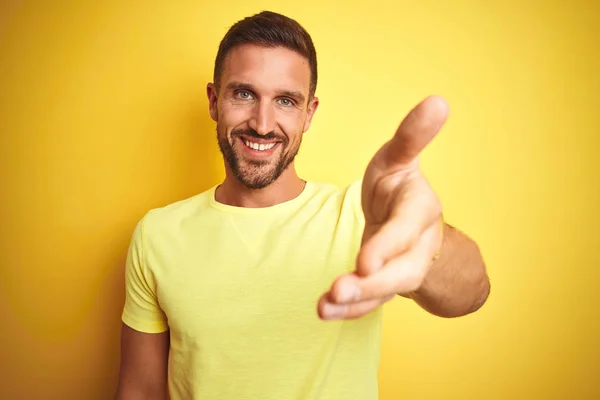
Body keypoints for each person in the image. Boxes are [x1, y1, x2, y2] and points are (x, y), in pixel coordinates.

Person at [114, 10, 490, 400]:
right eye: (244, 94)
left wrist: (424, 243)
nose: (262, 123)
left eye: (286, 101)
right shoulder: (158, 234)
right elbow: (139, 390)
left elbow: (471, 294)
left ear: (308, 113)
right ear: (214, 100)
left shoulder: (362, 218)